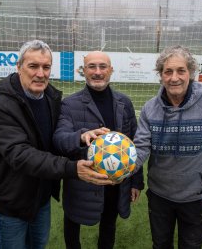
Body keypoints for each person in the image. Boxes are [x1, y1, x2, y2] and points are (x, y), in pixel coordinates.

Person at [0, 40, 113, 249]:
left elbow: (56, 138)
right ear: (18, 67)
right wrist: (71, 168)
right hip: (10, 199)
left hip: (40, 196)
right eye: (33, 66)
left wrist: (80, 135)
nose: (40, 74)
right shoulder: (1, 107)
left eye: (46, 67)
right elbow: (20, 154)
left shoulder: (51, 98)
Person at [133, 45, 202, 248]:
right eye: (168, 71)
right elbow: (141, 147)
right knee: (160, 245)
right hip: (159, 197)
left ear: (191, 73)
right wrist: (120, 168)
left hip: (196, 198)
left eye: (181, 71)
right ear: (160, 75)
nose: (174, 77)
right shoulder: (149, 109)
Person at [53, 51, 145, 249]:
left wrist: (136, 181)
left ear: (111, 70)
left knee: (109, 226)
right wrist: (80, 136)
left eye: (103, 67)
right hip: (81, 184)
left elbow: (133, 143)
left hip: (115, 182)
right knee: (72, 224)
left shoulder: (124, 103)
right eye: (91, 67)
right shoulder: (69, 104)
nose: (97, 72)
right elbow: (59, 139)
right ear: (83, 71)